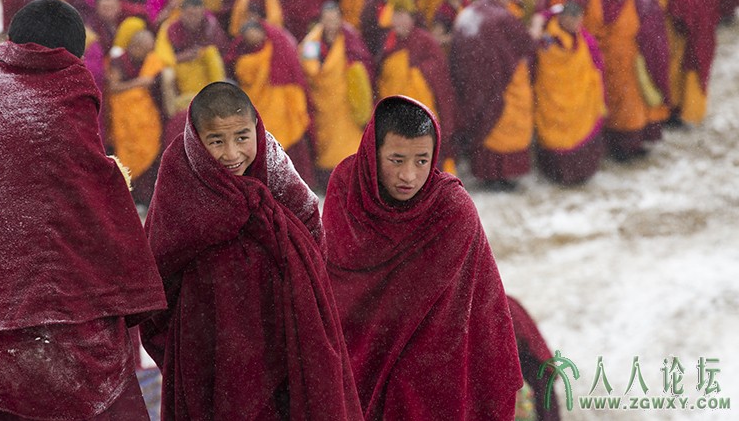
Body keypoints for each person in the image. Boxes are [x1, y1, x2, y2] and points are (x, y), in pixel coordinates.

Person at [0, 0, 166, 419]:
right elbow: (85, 186)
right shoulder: (68, 81)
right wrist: (114, 180)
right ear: (71, 54)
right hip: (63, 300)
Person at [140, 81, 363, 420]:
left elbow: (312, 234)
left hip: (282, 336)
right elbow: (159, 266)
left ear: (256, 130)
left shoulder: (273, 165)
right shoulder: (180, 173)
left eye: (242, 138)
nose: (232, 154)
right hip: (210, 345)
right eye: (216, 141)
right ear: (197, 141)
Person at [323, 95, 522, 420]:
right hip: (357, 353)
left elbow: (462, 310)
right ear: (373, 154)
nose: (409, 176)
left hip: (435, 361)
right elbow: (340, 287)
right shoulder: (348, 191)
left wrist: (408, 360)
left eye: (421, 161)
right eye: (397, 159)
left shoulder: (450, 209)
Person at [450, 0, 535, 189]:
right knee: (500, 123)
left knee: (482, 122)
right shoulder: (503, 17)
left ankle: (486, 173)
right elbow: (525, 43)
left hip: (470, 84)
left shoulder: (467, 13)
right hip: (499, 85)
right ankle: (502, 175)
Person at [632, 0, 720, 126]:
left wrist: (686, 0)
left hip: (684, 27)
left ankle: (680, 108)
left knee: (683, 68)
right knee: (664, 67)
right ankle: (664, 109)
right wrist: (670, 0)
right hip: (659, 26)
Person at [584, 0, 670, 160]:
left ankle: (631, 146)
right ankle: (613, 147)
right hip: (604, 63)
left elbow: (653, 33)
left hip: (630, 63)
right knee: (608, 106)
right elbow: (590, 29)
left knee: (632, 109)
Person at [376, 0, 458, 170]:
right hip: (396, 114)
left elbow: (440, 76)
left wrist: (414, 72)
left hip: (422, 112)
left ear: (412, 18)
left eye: (402, 15)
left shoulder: (425, 41)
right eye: (395, 15)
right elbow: (382, 74)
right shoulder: (388, 42)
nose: (398, 21)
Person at [226, 21, 314, 183]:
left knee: (287, 138)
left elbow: (290, 69)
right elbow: (240, 73)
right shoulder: (242, 52)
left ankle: (295, 181)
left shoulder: (276, 44)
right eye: (248, 36)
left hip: (278, 97)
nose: (253, 38)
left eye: (254, 33)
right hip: (256, 101)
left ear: (262, 32)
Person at [300, 2, 373, 189]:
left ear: (340, 19)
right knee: (326, 145)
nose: (331, 23)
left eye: (335, 18)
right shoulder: (312, 42)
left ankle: (352, 175)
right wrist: (323, 76)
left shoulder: (349, 38)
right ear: (322, 20)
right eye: (327, 19)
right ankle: (329, 180)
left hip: (345, 100)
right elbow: (309, 68)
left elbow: (361, 63)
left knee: (349, 141)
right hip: (323, 101)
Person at [534, 1, 606, 184]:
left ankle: (581, 174)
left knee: (583, 135)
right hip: (554, 93)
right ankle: (558, 176)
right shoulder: (548, 38)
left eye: (579, 21)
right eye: (573, 21)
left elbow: (596, 60)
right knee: (556, 136)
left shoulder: (583, 37)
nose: (577, 26)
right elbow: (546, 64)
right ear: (563, 19)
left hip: (581, 95)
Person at [108, 19, 167, 207]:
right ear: (134, 46)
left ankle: (142, 200)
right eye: (145, 49)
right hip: (124, 115)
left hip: (144, 117)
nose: (148, 53)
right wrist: (139, 84)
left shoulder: (148, 61)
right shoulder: (119, 61)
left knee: (149, 152)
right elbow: (114, 88)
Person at [155, 0, 229, 118]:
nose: (193, 19)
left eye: (197, 15)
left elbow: (223, 51)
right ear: (181, 13)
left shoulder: (210, 26)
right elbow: (162, 57)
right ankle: (173, 115)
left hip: (205, 70)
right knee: (166, 75)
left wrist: (202, 54)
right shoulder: (170, 27)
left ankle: (217, 100)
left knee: (212, 53)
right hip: (180, 68)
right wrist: (183, 57)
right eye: (189, 15)